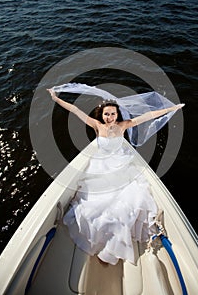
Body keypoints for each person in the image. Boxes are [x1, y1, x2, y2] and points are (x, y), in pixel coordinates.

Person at [47, 87, 184, 265]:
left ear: (117, 115)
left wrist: (172, 109)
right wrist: (56, 99)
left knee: (128, 201)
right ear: (101, 115)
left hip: (121, 164)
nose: (109, 117)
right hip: (101, 164)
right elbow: (74, 110)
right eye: (106, 114)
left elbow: (148, 116)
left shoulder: (123, 125)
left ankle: (116, 241)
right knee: (94, 204)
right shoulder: (97, 126)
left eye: (112, 114)